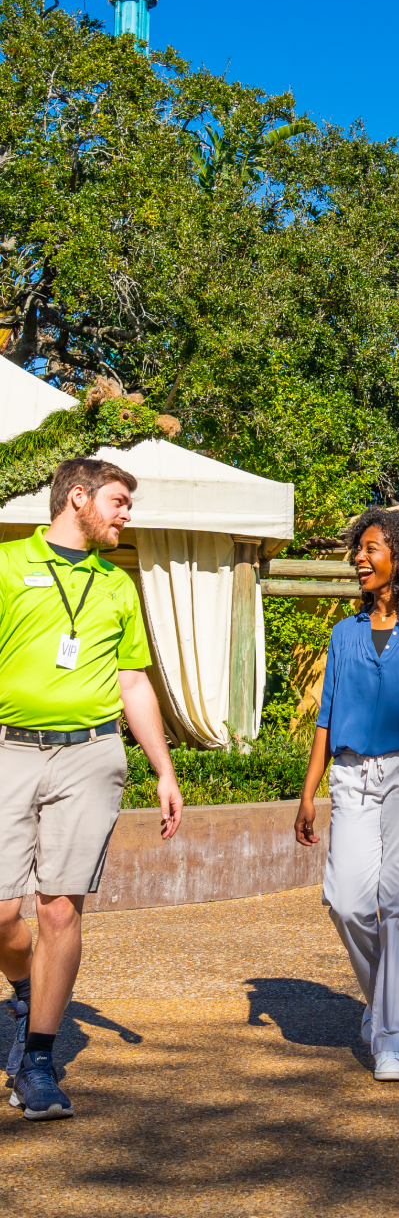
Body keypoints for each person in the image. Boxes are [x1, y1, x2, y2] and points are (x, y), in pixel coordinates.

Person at [0, 458, 183, 1121]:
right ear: (76, 498)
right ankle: (24, 985)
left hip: (91, 756)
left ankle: (38, 1064)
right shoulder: (7, 564)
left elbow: (134, 680)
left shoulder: (117, 585)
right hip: (7, 748)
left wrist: (164, 768)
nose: (125, 514)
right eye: (116, 501)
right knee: (1, 916)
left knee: (58, 910)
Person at [294, 507, 399, 1082]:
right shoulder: (345, 633)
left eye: (372, 548)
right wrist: (308, 790)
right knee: (346, 900)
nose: (360, 559)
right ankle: (380, 1002)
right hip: (351, 775)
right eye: (358, 549)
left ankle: (393, 1038)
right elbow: (327, 714)